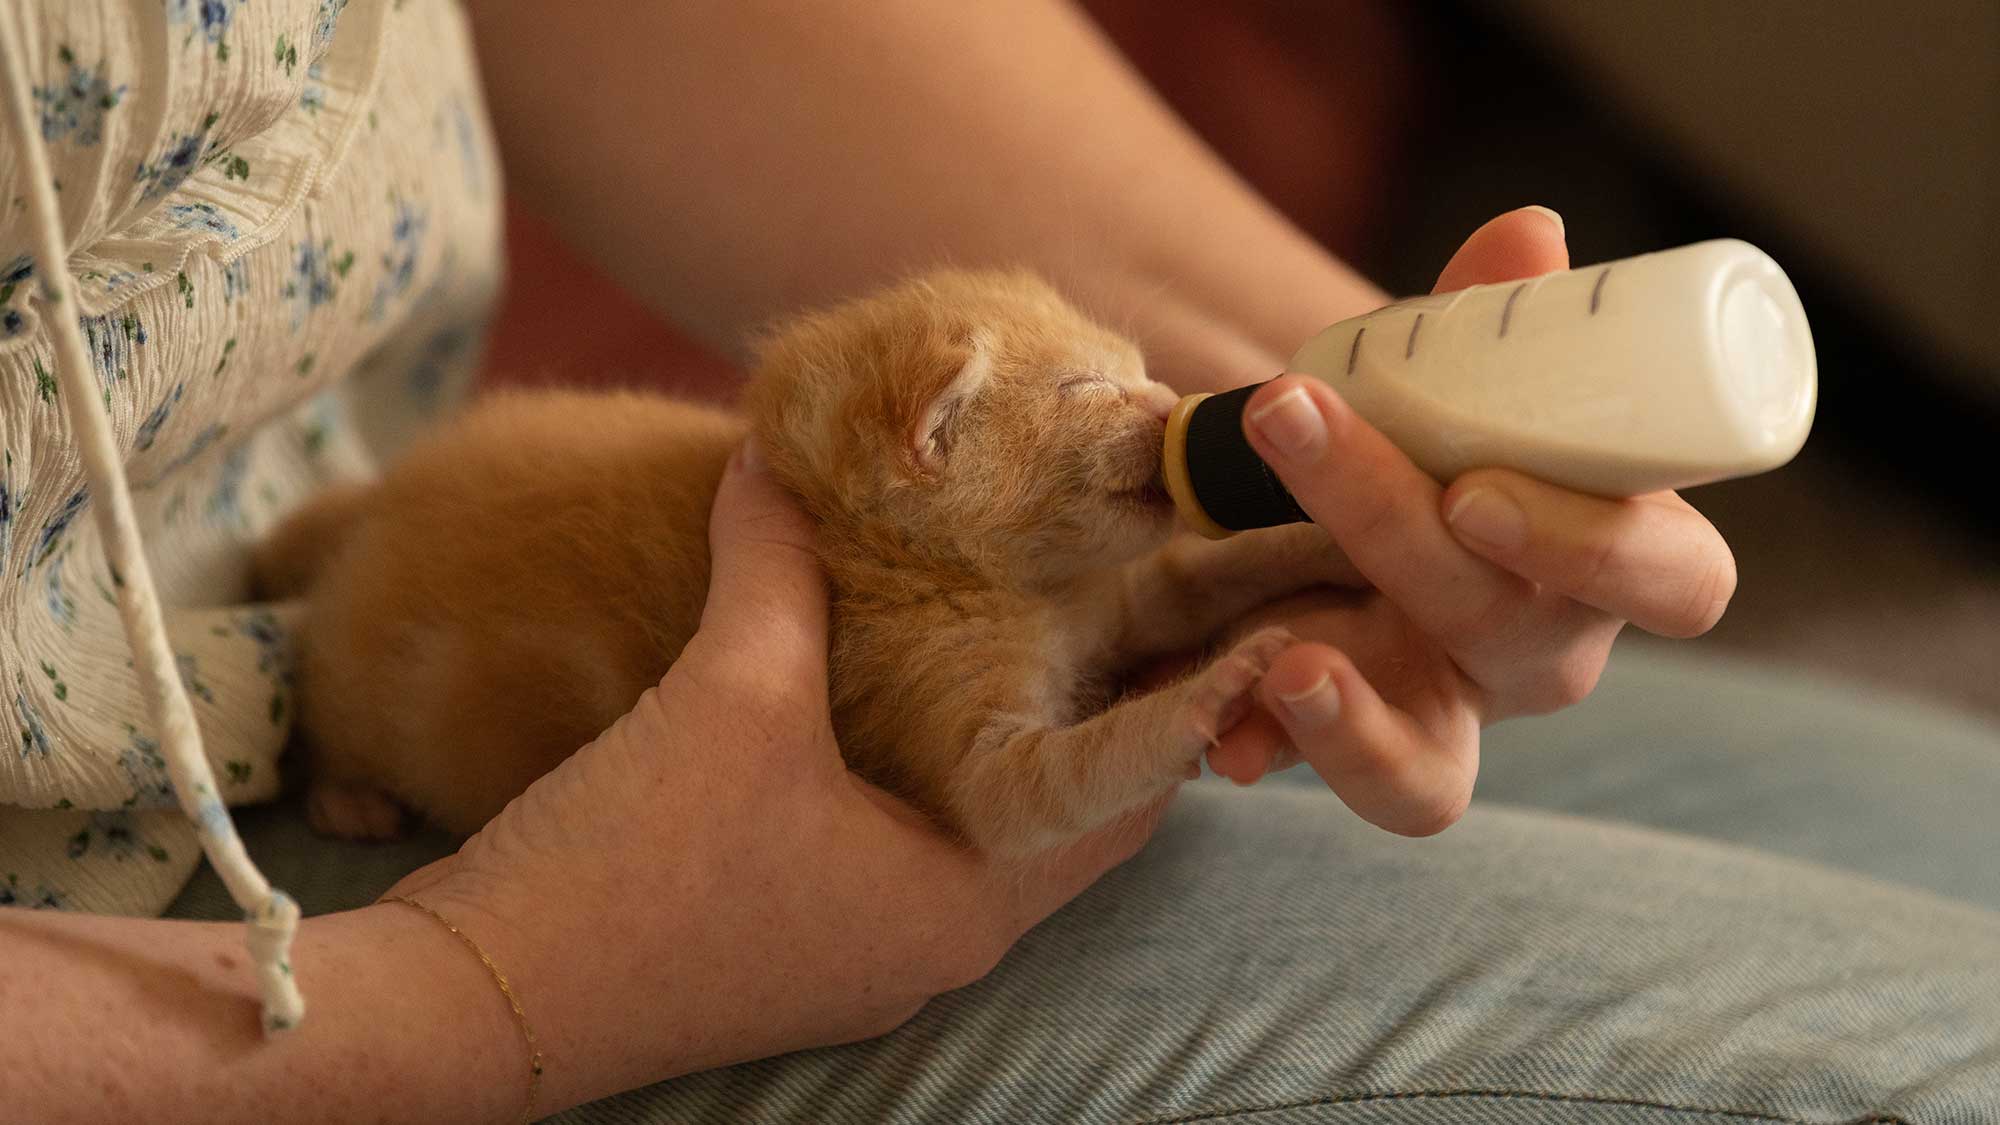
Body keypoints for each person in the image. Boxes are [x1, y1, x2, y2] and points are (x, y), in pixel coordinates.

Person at [2, 4, 1994, 1123]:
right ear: (922, 445)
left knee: (1960, 829)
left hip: (290, 551)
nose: (1138, 412)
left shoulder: (975, 475)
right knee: (1921, 1062)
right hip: (211, 947)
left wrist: (1361, 406)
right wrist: (474, 993)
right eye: (1085, 398)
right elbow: (1001, 761)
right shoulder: (911, 568)